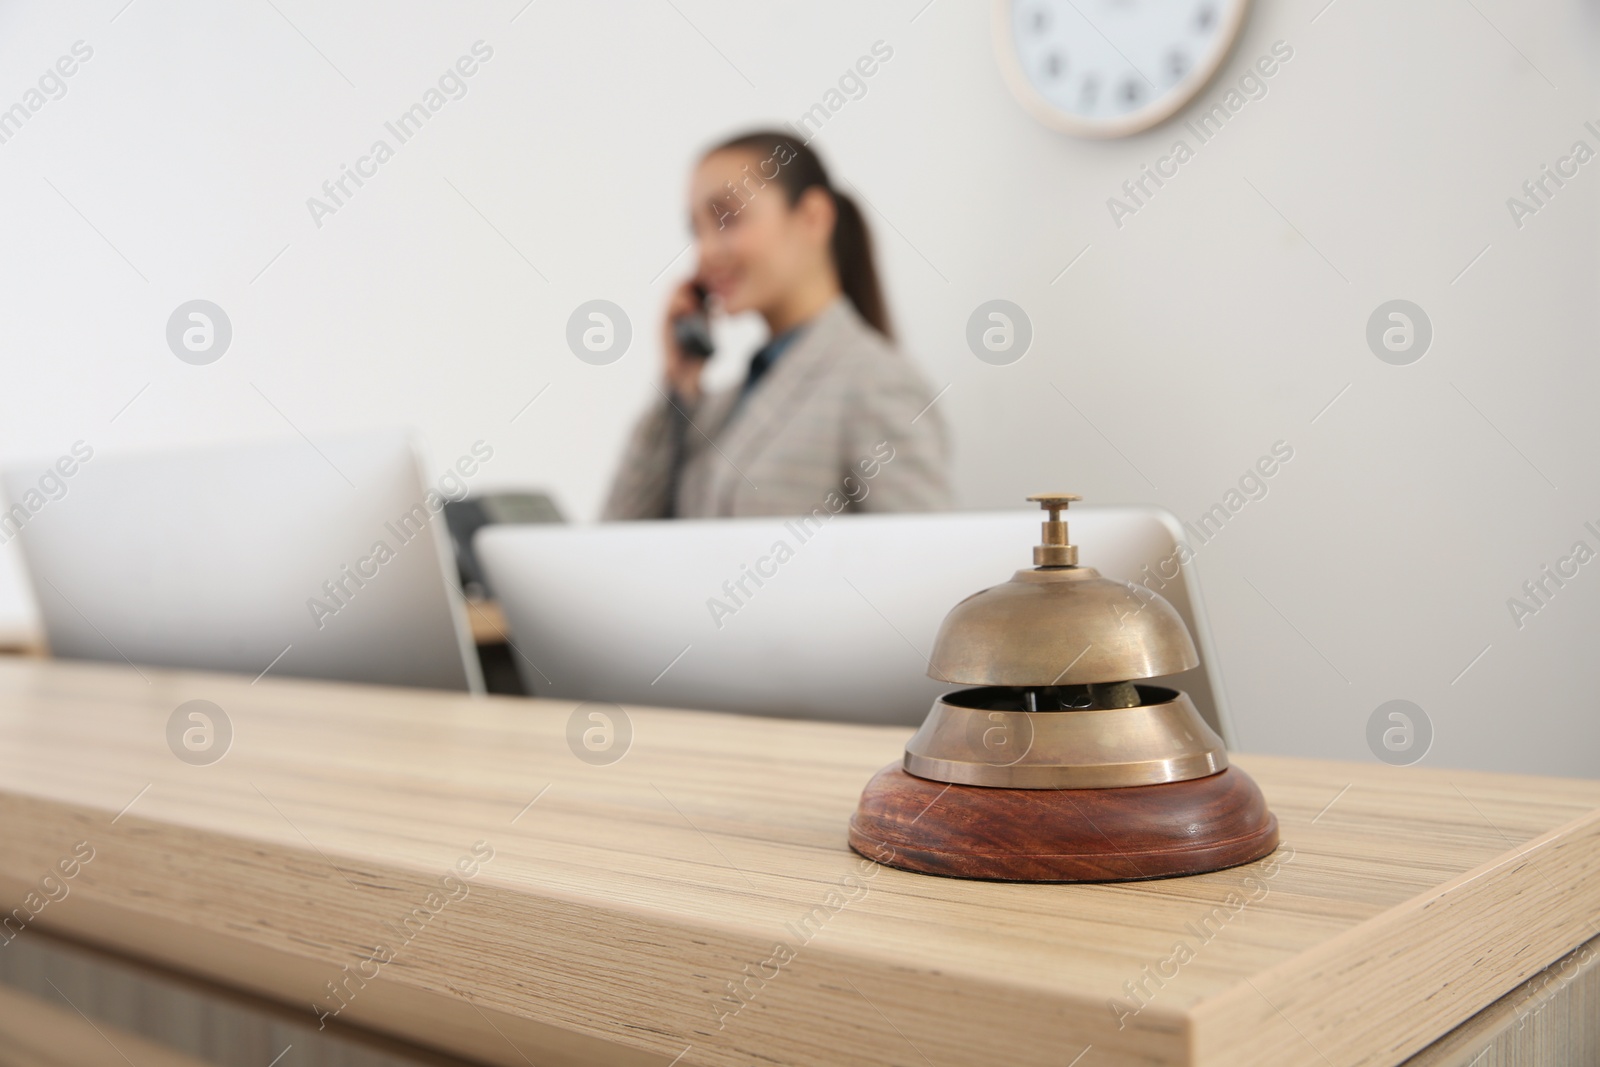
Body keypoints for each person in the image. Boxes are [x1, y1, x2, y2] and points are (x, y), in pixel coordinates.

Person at [602, 130, 951, 520]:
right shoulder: (718, 406)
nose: (705, 253)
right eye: (696, 230)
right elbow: (616, 534)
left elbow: (924, 560)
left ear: (813, 218)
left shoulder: (875, 381)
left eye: (727, 219)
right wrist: (678, 389)